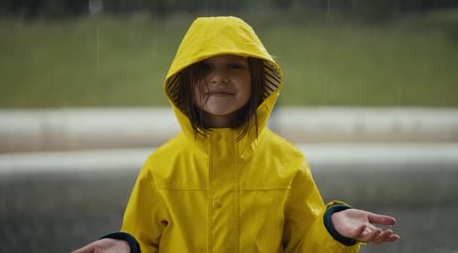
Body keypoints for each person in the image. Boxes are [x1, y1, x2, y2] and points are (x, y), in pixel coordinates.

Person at [72, 16, 399, 253]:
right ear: (184, 81)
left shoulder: (288, 163)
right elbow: (143, 241)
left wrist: (333, 229)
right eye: (204, 68)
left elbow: (304, 247)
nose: (218, 78)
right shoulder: (161, 168)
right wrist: (128, 248)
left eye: (234, 66)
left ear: (257, 78)